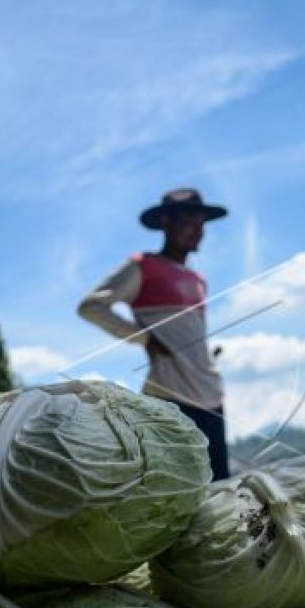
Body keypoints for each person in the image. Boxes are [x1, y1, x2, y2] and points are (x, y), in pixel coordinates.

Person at [78, 188, 229, 480]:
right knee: (179, 486)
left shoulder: (199, 281)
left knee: (220, 488)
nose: (196, 230)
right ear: (166, 223)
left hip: (211, 397)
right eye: (187, 220)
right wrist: (145, 339)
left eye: (200, 223)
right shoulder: (143, 267)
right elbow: (92, 306)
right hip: (169, 399)